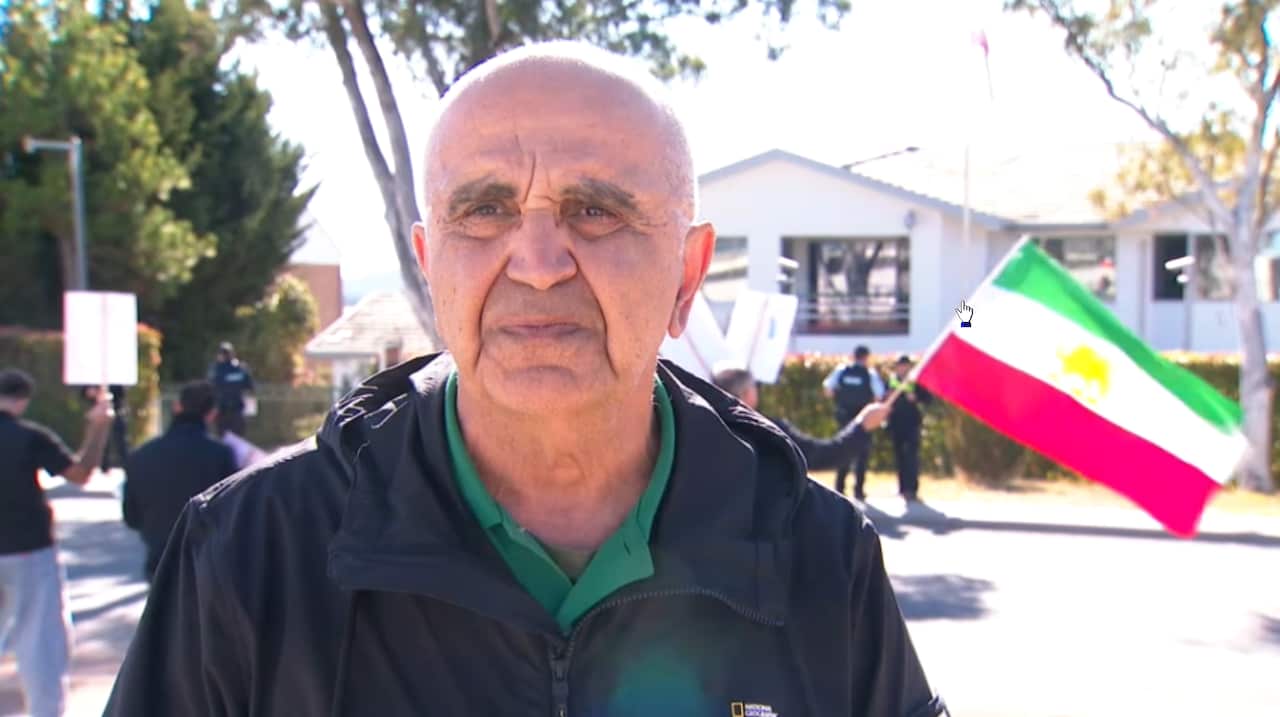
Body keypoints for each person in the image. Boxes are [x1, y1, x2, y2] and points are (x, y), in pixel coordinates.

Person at [106, 42, 946, 717]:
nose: (539, 262)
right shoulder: (251, 554)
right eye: (485, 210)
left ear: (686, 277)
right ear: (432, 266)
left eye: (596, 210)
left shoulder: (822, 558)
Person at [0, 369, 113, 717]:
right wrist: (99, 427)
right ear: (23, 400)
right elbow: (80, 474)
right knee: (40, 647)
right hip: (27, 547)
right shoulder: (29, 437)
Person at [122, 381, 238, 581]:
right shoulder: (221, 455)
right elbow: (233, 511)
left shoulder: (140, 456)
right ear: (211, 413)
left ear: (177, 406)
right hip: (206, 560)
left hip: (160, 557)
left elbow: (132, 517)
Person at [711, 364, 890, 472]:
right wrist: (862, 425)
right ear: (748, 393)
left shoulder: (700, 427)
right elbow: (823, 455)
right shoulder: (765, 432)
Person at [823, 344, 885, 500]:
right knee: (862, 455)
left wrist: (841, 396)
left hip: (844, 417)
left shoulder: (842, 371)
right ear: (866, 358)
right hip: (863, 419)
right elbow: (879, 396)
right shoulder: (869, 374)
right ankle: (858, 491)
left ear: (854, 356)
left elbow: (828, 390)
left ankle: (839, 488)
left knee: (842, 450)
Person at [886, 354, 933, 503]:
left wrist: (916, 398)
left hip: (912, 423)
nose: (902, 369)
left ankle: (912, 489)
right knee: (899, 456)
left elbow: (928, 399)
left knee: (911, 456)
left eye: (905, 366)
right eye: (900, 366)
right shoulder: (892, 380)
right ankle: (902, 488)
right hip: (896, 423)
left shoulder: (915, 381)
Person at [208, 341, 255, 437]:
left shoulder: (216, 370)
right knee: (237, 442)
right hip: (234, 413)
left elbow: (211, 390)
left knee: (224, 441)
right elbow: (250, 390)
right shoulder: (241, 369)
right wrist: (250, 413)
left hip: (225, 412)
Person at [82, 385, 128, 471]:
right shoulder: (91, 379)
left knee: (120, 441)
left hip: (117, 412)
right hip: (98, 414)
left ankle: (125, 465)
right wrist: (92, 392)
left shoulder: (116, 380)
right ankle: (102, 467)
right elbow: (84, 392)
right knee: (101, 442)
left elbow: (121, 392)